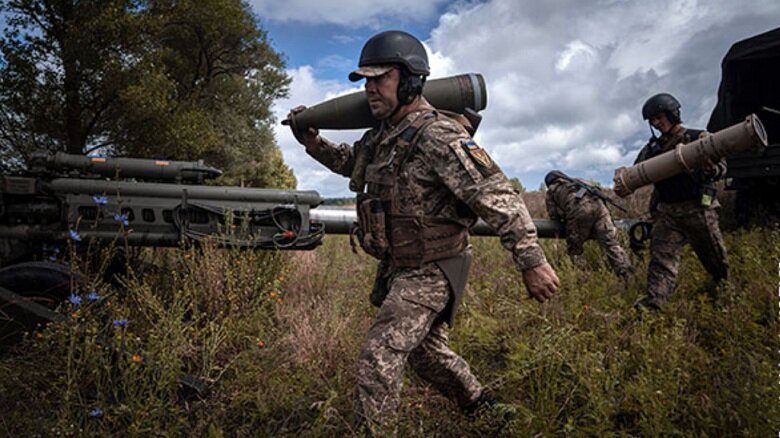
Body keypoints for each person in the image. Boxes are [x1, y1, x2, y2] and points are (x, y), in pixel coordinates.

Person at [286, 30, 559, 429]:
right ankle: (484, 408)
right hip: (400, 265)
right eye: (366, 81)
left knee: (380, 354)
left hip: (434, 266)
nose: (371, 89)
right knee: (426, 355)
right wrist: (313, 143)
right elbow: (352, 163)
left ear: (411, 80)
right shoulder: (381, 136)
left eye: (381, 78)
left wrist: (531, 261)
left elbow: (498, 196)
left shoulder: (440, 135)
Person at [616, 93, 729, 310]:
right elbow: (635, 172)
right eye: (653, 121)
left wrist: (711, 169)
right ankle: (653, 306)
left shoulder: (699, 138)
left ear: (672, 114)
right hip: (667, 213)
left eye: (659, 117)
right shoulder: (652, 149)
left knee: (714, 258)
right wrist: (623, 180)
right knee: (661, 261)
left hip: (699, 209)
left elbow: (722, 167)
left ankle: (725, 293)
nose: (657, 124)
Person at [544, 170, 632, 282]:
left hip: (580, 212)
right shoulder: (579, 181)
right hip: (601, 209)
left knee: (575, 249)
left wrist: (565, 222)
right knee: (611, 244)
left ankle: (584, 280)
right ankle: (627, 276)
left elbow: (553, 216)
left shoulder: (552, 190)